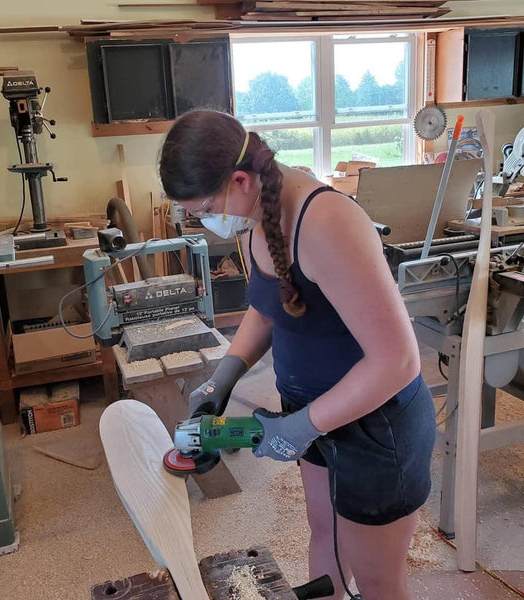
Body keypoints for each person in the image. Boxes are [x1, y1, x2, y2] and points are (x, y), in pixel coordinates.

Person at [159, 109, 436, 600]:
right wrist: (223, 376)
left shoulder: (326, 222)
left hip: (375, 427)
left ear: (239, 178)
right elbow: (270, 309)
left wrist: (299, 427)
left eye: (201, 208)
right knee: (324, 537)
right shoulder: (257, 215)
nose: (202, 220)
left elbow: (398, 361)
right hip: (314, 413)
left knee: (377, 581)